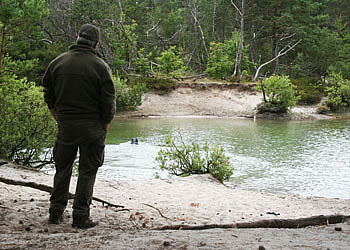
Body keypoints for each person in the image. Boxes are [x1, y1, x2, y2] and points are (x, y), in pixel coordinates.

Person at [42, 24, 116, 229]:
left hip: (66, 125)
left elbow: (47, 91)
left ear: (77, 37)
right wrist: (106, 123)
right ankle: (81, 217)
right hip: (93, 128)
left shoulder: (57, 62)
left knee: (62, 169)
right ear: (96, 43)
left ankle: (55, 214)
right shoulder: (100, 66)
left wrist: (56, 114)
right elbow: (108, 100)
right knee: (87, 171)